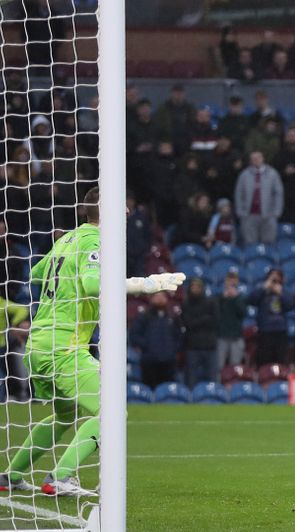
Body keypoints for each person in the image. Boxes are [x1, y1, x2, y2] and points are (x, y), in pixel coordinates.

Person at [1, 187, 185, 496]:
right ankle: (60, 476)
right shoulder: (94, 241)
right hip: (64, 349)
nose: (128, 212)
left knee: (65, 415)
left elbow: (36, 273)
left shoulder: (68, 239)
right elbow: (90, 284)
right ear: (109, 212)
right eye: (123, 207)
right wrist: (145, 284)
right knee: (113, 410)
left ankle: (12, 475)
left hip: (39, 345)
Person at [234, 151, 283, 245]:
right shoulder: (244, 175)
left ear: (263, 158)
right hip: (248, 215)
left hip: (268, 215)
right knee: (250, 243)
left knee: (269, 243)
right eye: (253, 159)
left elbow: (278, 194)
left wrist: (277, 212)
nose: (256, 160)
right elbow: (239, 194)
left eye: (258, 158)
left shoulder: (273, 174)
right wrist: (240, 211)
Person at [249, 268, 292, 366]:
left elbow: (291, 305)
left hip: (280, 332)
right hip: (265, 331)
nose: (274, 281)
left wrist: (280, 294)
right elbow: (252, 300)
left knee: (281, 362)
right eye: (272, 279)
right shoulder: (262, 291)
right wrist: (264, 287)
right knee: (264, 362)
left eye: (277, 279)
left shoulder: (284, 291)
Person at [181, 278, 220, 387]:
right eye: (193, 286)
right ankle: (190, 400)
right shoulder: (186, 304)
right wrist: (205, 319)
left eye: (198, 286)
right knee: (191, 378)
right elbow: (188, 323)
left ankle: (213, 398)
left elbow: (215, 321)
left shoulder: (211, 302)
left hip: (210, 346)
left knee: (212, 377)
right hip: (192, 346)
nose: (195, 289)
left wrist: (196, 321)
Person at [217, 271, 247, 368]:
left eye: (233, 280)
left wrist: (235, 298)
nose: (231, 283)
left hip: (236, 337)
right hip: (221, 336)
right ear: (225, 281)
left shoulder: (241, 297)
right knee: (219, 366)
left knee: (235, 366)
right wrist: (224, 298)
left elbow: (242, 313)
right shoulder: (219, 297)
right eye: (229, 280)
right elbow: (216, 313)